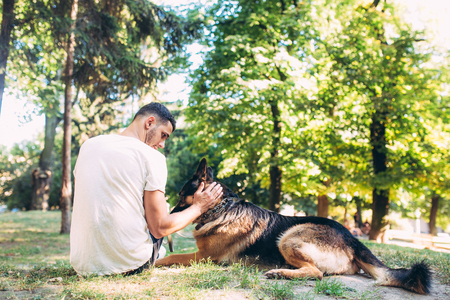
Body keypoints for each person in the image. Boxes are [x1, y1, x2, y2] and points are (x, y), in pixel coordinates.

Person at [70, 102, 223, 276]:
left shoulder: (89, 145)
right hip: (129, 265)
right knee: (158, 220)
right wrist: (198, 207)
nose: (162, 144)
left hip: (83, 265)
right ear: (149, 123)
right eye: (163, 135)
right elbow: (159, 227)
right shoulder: (152, 157)